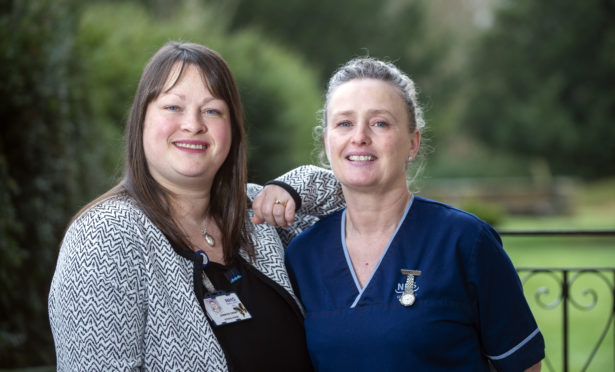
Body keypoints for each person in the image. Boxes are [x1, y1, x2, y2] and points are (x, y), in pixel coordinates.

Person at [48, 41, 343, 371]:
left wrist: (294, 187)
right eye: (173, 107)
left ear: (232, 130)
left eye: (212, 110)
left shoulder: (255, 215)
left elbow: (363, 201)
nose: (193, 124)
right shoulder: (106, 235)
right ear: (141, 121)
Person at [285, 57, 545, 371]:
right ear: (328, 143)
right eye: (344, 123)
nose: (359, 137)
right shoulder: (303, 255)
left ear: (412, 143)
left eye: (380, 123)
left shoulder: (465, 242)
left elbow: (523, 366)